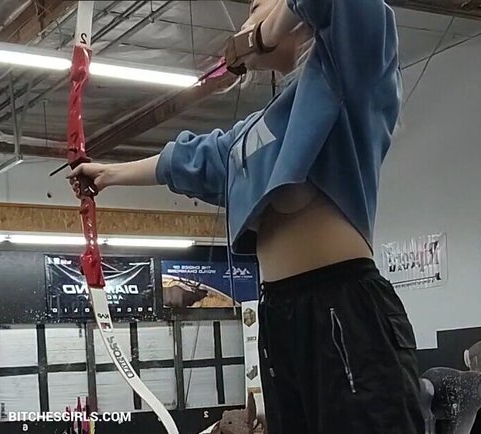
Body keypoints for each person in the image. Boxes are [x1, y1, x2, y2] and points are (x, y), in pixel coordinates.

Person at [70, 0, 424, 433]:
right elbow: (196, 159)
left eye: (256, 6)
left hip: (343, 305)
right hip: (280, 314)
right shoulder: (257, 130)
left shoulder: (353, 67)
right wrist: (108, 174)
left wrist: (263, 34)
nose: (245, 20)